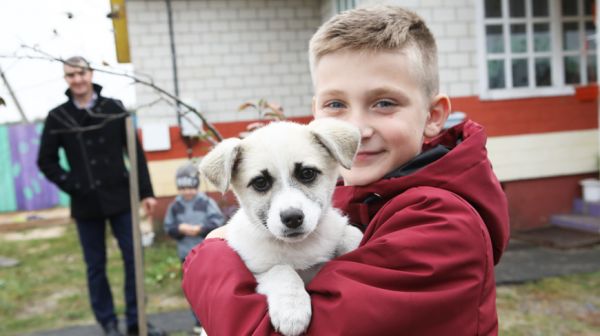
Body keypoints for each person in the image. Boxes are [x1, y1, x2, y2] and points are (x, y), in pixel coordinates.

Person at [182, 5, 510, 335]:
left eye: (384, 103)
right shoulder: (359, 197)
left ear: (433, 115)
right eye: (336, 105)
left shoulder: (443, 226)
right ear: (316, 115)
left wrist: (209, 258)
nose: (356, 129)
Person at [37, 56, 165, 336]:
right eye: (70, 75)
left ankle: (136, 320)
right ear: (66, 79)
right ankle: (108, 323)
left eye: (81, 73)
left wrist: (146, 192)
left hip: (121, 198)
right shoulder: (58, 116)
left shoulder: (113, 108)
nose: (77, 79)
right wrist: (72, 184)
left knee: (134, 259)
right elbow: (45, 160)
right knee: (96, 266)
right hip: (85, 203)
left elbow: (134, 152)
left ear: (91, 73)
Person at [163, 162, 225, 335]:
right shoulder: (175, 206)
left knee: (212, 288)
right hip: (186, 255)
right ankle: (198, 320)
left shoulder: (206, 203)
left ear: (196, 187)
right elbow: (168, 227)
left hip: (207, 254)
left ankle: (215, 318)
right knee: (193, 289)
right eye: (183, 188)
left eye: (191, 188)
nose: (187, 192)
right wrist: (180, 229)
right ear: (178, 188)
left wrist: (200, 229)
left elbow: (218, 222)